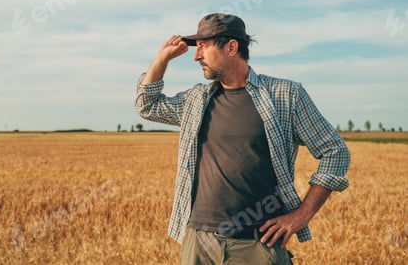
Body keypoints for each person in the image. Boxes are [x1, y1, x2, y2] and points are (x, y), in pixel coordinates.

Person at [135, 13, 350, 264]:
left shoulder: (285, 95)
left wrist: (301, 215)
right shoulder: (196, 99)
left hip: (257, 245)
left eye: (203, 47)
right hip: (198, 242)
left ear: (231, 47)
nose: (196, 56)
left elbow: (335, 152)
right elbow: (146, 106)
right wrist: (162, 59)